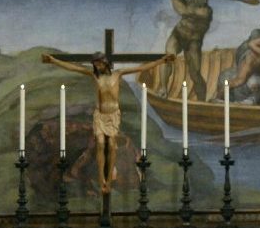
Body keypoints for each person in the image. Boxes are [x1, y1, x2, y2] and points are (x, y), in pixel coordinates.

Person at [41, 51, 175, 195]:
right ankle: (103, 179)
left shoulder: (117, 74)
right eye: (95, 65)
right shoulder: (95, 76)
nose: (97, 67)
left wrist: (162, 61)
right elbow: (74, 68)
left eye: (99, 64)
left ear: (105, 63)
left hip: (112, 117)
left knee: (110, 146)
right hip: (100, 116)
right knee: (100, 145)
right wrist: (53, 61)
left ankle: (109, 179)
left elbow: (141, 68)